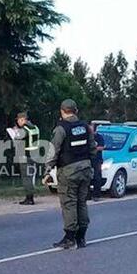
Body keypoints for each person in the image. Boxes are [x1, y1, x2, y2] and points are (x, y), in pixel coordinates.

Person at [45, 99, 97, 249]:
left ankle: (69, 238)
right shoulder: (86, 127)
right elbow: (93, 149)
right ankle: (81, 238)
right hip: (86, 169)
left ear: (62, 111)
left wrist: (48, 170)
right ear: (76, 111)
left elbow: (53, 151)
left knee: (69, 203)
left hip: (68, 171)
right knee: (81, 202)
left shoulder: (61, 129)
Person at [10, 111, 39, 205]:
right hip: (34, 154)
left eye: (18, 120)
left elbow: (17, 140)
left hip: (25, 155)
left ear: (23, 119)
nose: (18, 122)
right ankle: (30, 197)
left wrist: (15, 132)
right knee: (30, 176)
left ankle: (29, 198)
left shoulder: (24, 129)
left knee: (26, 178)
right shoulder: (35, 127)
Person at [90, 122, 106, 201]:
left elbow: (102, 147)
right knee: (87, 177)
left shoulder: (99, 137)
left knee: (97, 177)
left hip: (97, 160)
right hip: (88, 160)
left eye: (91, 128)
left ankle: (97, 195)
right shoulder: (87, 137)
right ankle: (87, 195)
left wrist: (94, 149)